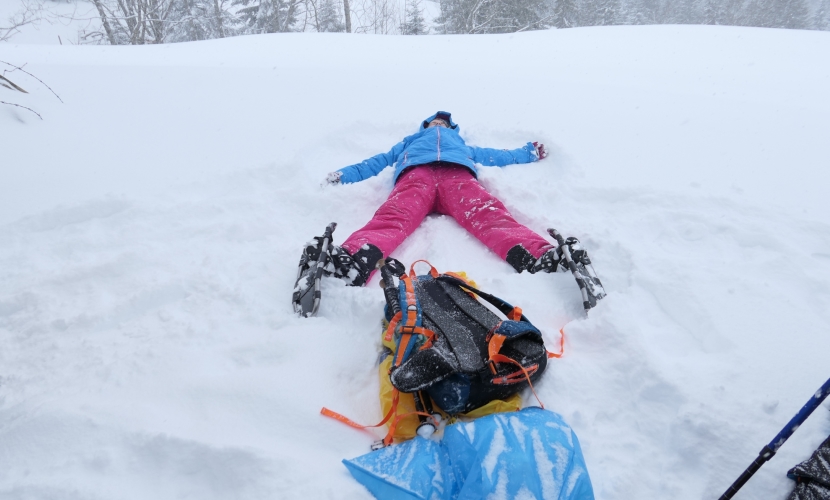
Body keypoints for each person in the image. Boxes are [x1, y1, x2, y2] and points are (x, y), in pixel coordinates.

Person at [321, 111, 565, 286]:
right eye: (435, 121)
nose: (439, 123)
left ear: (451, 129)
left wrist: (527, 152)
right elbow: (376, 162)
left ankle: (537, 256)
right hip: (417, 176)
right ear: (425, 126)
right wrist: (343, 175)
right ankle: (353, 260)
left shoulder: (459, 143)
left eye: (444, 122)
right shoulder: (410, 142)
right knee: (393, 217)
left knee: (488, 215)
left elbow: (494, 156)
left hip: (456, 177)